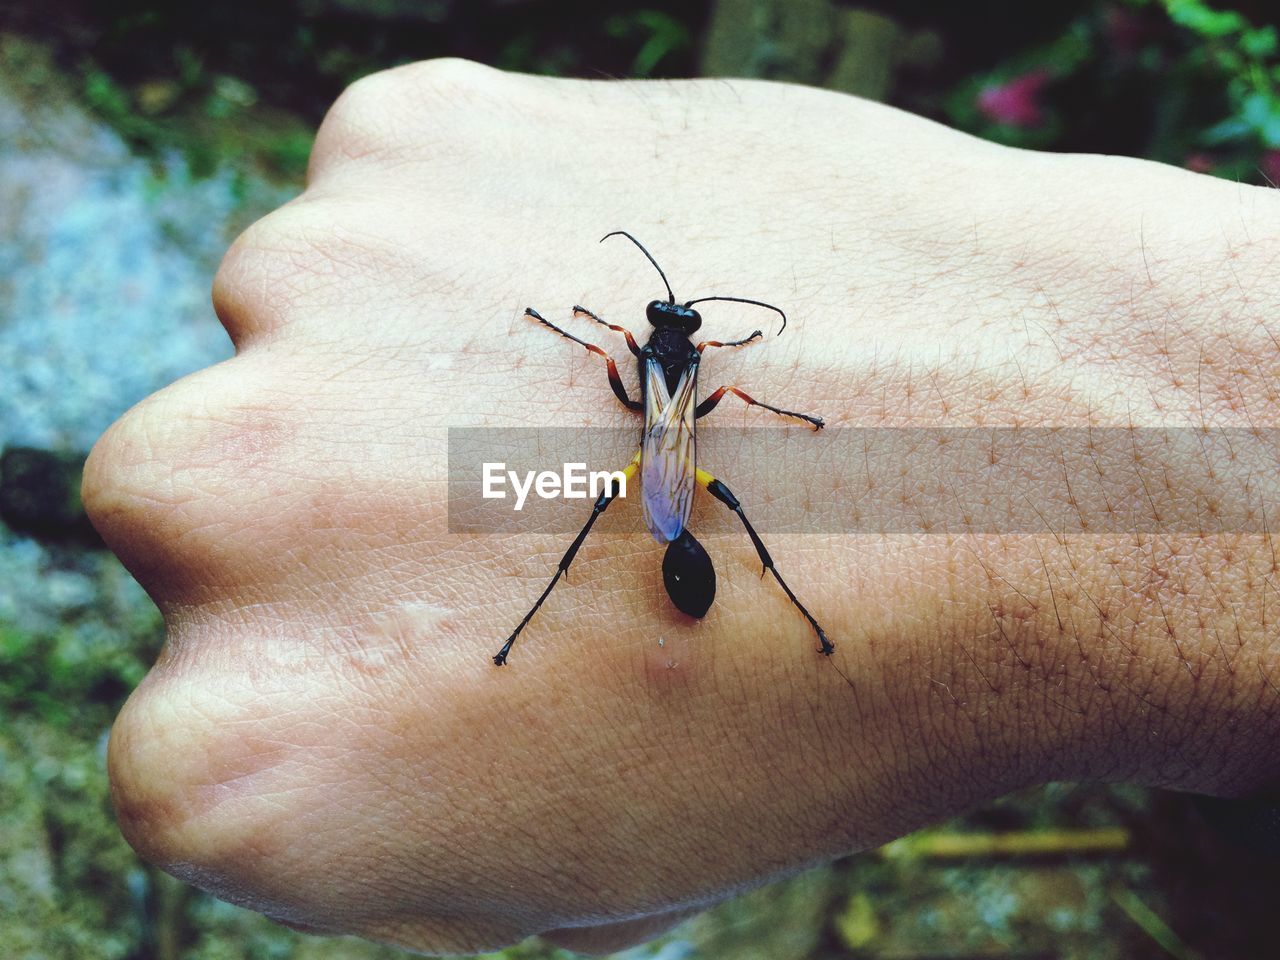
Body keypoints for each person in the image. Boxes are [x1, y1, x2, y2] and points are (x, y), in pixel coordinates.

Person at [82, 59, 1280, 955]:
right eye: (673, 330)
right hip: (670, 485)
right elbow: (686, 385)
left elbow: (654, 377)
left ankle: (659, 600)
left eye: (674, 331)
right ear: (677, 342)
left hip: (666, 486)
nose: (673, 337)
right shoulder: (687, 372)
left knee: (631, 504)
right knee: (669, 501)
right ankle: (705, 593)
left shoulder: (667, 369)